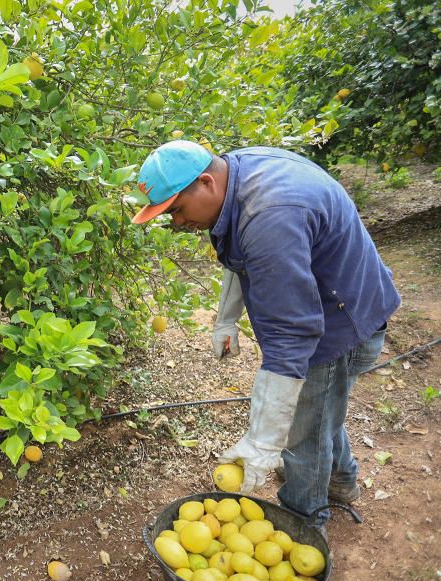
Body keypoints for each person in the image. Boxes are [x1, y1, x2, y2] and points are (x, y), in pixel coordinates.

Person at [131, 140, 400, 536]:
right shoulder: (237, 175)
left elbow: (293, 334)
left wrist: (263, 443)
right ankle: (342, 479)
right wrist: (226, 320)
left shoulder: (271, 214)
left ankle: (305, 523)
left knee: (303, 431)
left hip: (341, 324)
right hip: (341, 304)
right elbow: (241, 251)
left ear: (206, 182)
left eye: (176, 210)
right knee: (321, 407)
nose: (176, 224)